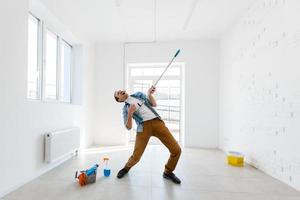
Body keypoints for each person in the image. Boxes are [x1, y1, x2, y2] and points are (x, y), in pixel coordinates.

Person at [113, 86, 182, 184]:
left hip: (157, 122)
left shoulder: (138, 95)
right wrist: (130, 113)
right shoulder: (125, 108)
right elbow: (128, 127)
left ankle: (168, 172)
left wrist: (149, 94)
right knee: (136, 156)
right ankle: (126, 168)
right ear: (119, 100)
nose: (121, 91)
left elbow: (154, 104)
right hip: (143, 127)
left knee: (177, 150)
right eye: (118, 93)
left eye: (120, 90)